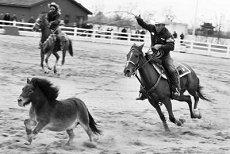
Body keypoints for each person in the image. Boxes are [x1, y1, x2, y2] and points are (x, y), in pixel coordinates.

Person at [135, 15, 181, 100]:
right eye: (156, 25)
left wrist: (160, 46)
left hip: (164, 56)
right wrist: (139, 19)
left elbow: (171, 46)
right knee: (144, 66)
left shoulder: (167, 34)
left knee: (171, 69)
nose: (156, 27)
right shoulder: (152, 28)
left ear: (163, 25)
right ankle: (143, 90)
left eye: (159, 25)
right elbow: (144, 24)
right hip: (153, 54)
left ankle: (175, 89)